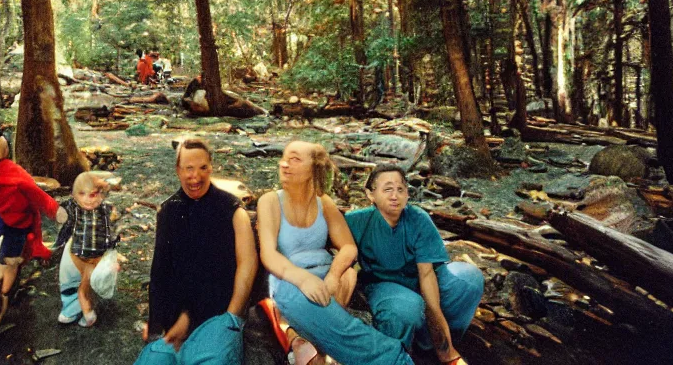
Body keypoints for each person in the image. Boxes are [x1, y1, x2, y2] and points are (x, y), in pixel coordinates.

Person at [257, 141, 413, 365]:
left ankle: (305, 341)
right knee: (330, 319)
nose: (284, 165)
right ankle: (395, 359)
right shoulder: (270, 201)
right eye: (283, 158)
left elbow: (348, 247)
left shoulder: (324, 202)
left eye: (294, 160)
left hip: (328, 274)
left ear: (313, 168)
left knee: (346, 278)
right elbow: (269, 255)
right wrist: (303, 279)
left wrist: (333, 275)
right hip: (290, 279)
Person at [135, 138, 257, 365]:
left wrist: (232, 317)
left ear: (211, 167)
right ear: (178, 170)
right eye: (188, 168)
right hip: (177, 320)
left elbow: (248, 264)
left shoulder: (232, 209)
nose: (196, 176)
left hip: (219, 316)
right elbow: (159, 273)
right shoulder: (168, 210)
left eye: (203, 168)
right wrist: (157, 326)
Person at [345, 165, 484, 365]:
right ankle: (397, 355)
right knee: (406, 308)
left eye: (401, 189)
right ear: (370, 194)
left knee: (469, 279)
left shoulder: (418, 219)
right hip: (384, 285)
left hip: (421, 279)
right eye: (387, 189)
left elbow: (427, 275)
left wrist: (445, 348)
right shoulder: (356, 221)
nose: (395, 196)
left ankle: (428, 343)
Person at [0, 132, 64, 326]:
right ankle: (6, 291)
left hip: (15, 223)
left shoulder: (12, 172)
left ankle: (5, 295)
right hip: (8, 221)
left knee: (8, 263)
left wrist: (54, 209)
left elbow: (35, 193)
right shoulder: (12, 171)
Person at [55, 172, 118, 327]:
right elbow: (59, 211)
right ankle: (71, 310)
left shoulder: (106, 209)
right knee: (70, 281)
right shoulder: (74, 207)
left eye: (93, 195)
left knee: (85, 288)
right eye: (81, 194)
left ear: (101, 195)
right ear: (74, 195)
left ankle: (89, 313)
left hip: (96, 256)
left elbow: (112, 231)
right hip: (77, 252)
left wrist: (113, 254)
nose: (87, 200)